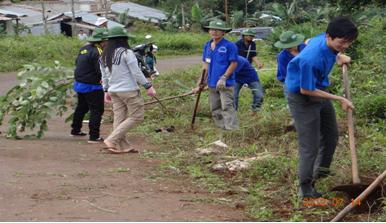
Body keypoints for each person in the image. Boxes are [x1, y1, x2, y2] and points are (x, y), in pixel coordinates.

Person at [285, 17, 358, 199]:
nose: (346, 45)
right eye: (342, 42)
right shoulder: (311, 59)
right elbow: (306, 89)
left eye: (349, 42)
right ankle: (305, 189)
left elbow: (308, 41)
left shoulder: (322, 40)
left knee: (331, 135)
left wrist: (339, 54)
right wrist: (339, 98)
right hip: (302, 96)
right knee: (310, 144)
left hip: (319, 90)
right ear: (329, 36)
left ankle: (320, 172)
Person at [100, 26, 156, 154]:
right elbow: (136, 72)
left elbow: (104, 76)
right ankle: (112, 140)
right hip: (128, 90)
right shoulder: (126, 53)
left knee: (119, 119)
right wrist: (148, 86)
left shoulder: (104, 55)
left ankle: (123, 145)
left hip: (114, 91)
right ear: (123, 39)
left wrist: (106, 91)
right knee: (137, 116)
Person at [193, 20, 238, 132]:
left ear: (223, 32)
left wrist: (224, 77)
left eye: (218, 30)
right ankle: (222, 129)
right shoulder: (207, 46)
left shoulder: (230, 46)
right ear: (209, 31)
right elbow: (205, 66)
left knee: (227, 106)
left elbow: (233, 63)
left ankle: (232, 130)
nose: (215, 32)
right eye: (212, 29)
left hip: (225, 84)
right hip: (212, 83)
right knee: (215, 108)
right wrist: (200, 84)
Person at [70, 28, 108, 143]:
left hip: (80, 84)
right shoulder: (98, 52)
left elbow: (77, 63)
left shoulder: (84, 48)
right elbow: (100, 70)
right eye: (107, 40)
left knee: (82, 107)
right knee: (97, 110)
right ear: (102, 41)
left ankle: (75, 130)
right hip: (92, 86)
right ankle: (94, 136)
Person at [274, 31, 307, 99]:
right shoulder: (282, 57)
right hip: (291, 82)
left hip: (308, 80)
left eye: (290, 46)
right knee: (294, 103)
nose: (288, 48)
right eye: (286, 47)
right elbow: (286, 74)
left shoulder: (305, 48)